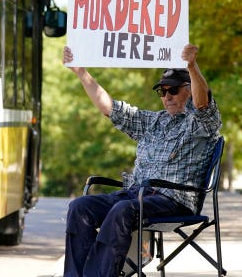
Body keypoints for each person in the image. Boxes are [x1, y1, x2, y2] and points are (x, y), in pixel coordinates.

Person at [62, 44, 222, 277]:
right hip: (135, 194)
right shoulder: (152, 121)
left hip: (173, 199)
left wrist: (191, 66)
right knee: (80, 207)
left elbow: (202, 104)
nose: (167, 96)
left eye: (173, 91)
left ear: (189, 89)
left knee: (122, 211)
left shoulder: (201, 125)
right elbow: (111, 109)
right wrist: (80, 72)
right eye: (162, 91)